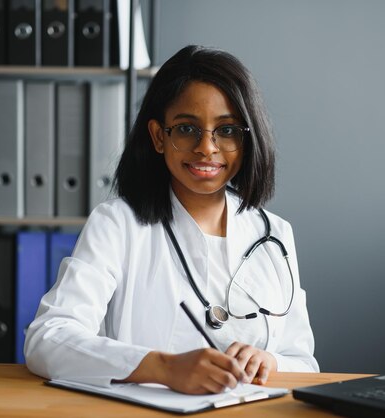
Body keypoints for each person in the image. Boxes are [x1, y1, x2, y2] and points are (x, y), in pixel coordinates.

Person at [24, 45, 319, 395]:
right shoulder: (118, 225)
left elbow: (304, 362)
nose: (206, 148)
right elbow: (48, 339)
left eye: (226, 131)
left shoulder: (275, 234)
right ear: (158, 137)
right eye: (186, 129)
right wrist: (163, 367)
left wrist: (270, 362)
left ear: (246, 139)